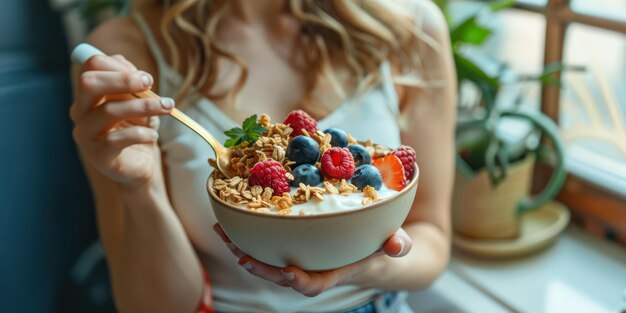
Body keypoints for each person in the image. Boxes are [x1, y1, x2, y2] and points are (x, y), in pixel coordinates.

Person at [69, 0, 456, 312]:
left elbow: (431, 242)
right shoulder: (127, 52)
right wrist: (142, 187)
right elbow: (153, 307)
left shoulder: (411, 26)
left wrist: (358, 267)